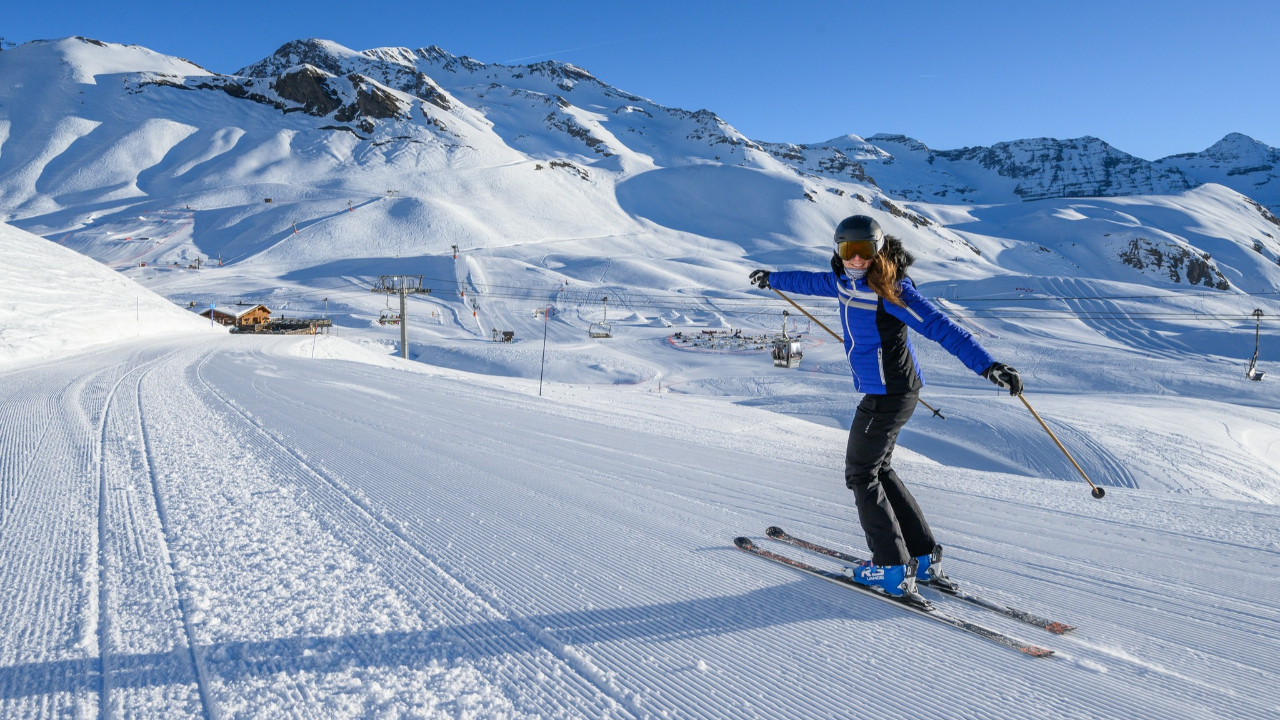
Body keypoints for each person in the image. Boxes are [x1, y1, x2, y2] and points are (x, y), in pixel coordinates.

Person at [749, 215, 1023, 601]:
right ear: (838, 251)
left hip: (888, 394)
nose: (857, 260)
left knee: (860, 473)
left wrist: (988, 366)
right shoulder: (840, 281)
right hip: (892, 391)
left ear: (878, 252)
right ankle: (923, 558)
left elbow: (941, 327)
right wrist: (772, 278)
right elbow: (806, 281)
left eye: (865, 252)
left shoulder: (891, 291)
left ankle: (891, 567)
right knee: (880, 469)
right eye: (849, 251)